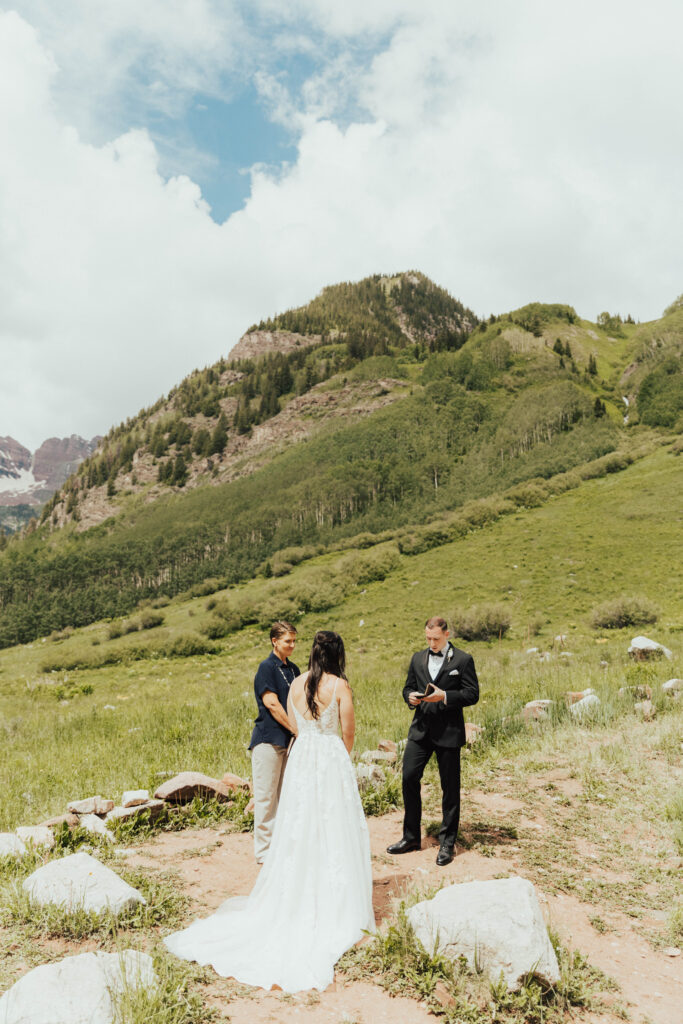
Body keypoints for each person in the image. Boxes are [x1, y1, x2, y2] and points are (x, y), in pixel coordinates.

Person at [164, 630, 374, 992]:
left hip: (302, 758)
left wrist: (309, 743)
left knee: (298, 823)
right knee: (332, 822)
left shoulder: (296, 684)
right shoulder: (339, 686)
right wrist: (340, 759)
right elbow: (348, 732)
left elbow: (295, 723)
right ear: (338, 655)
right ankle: (332, 892)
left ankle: (299, 885)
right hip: (327, 758)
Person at [387, 616, 479, 866]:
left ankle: (447, 843)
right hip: (421, 731)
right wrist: (411, 698)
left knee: (449, 788)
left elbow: (472, 694)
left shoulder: (463, 660)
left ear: (447, 634)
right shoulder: (417, 658)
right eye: (428, 638)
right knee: (408, 778)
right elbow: (407, 688)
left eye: (436, 638)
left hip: (449, 733)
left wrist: (445, 696)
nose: (432, 643)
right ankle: (411, 837)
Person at [249, 621, 299, 864]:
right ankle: (264, 853)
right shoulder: (266, 667)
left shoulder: (294, 670)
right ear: (274, 641)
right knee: (266, 797)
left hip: (290, 741)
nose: (292, 645)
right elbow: (271, 703)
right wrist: (295, 729)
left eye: (294, 641)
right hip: (269, 740)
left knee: (285, 795)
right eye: (287, 641)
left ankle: (282, 848)